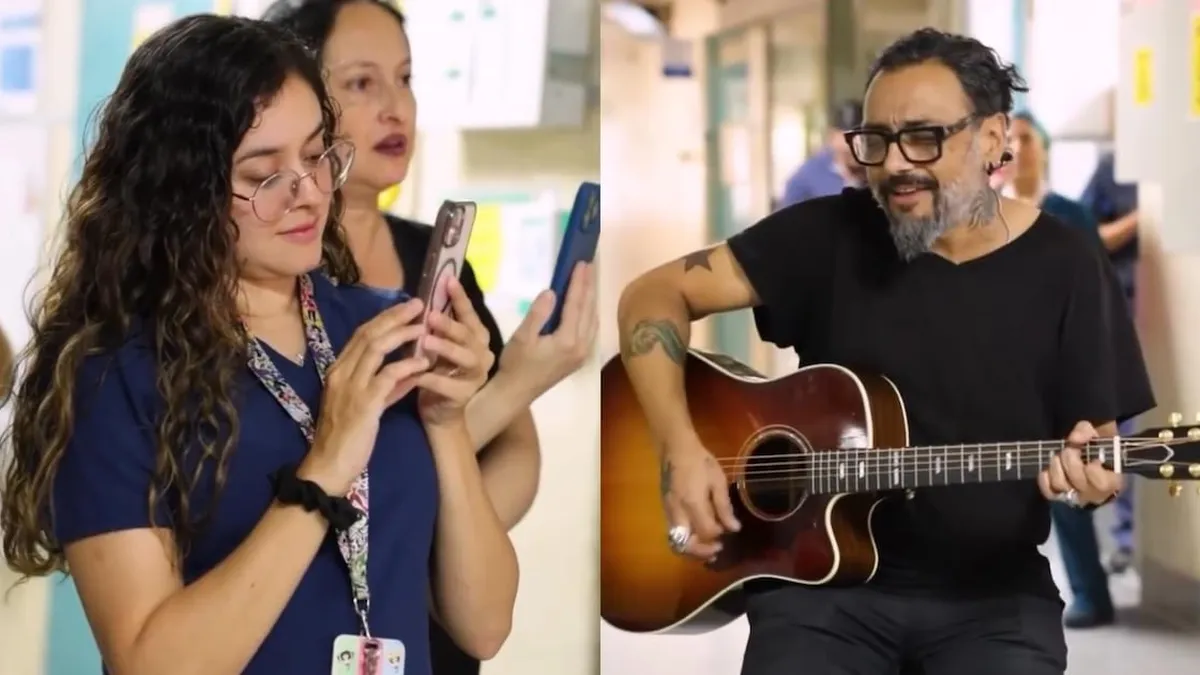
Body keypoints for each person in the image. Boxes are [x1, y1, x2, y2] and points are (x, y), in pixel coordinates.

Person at [617, 28, 1152, 675]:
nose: (895, 162)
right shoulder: (827, 236)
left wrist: (1088, 484)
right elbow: (651, 297)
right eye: (876, 140)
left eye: (924, 136)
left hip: (993, 599)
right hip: (819, 592)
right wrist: (679, 446)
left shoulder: (1068, 262)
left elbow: (1091, 446)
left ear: (992, 138)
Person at [0, 15, 517, 675]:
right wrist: (323, 469)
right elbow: (150, 662)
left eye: (316, 154)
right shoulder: (114, 377)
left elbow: (485, 623)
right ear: (180, 190)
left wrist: (445, 419)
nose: (307, 192)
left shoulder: (381, 328)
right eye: (264, 173)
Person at [262, 2, 598, 673]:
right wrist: (518, 384)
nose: (396, 108)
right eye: (361, 83)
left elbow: (514, 452)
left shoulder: (435, 259)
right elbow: (341, 464)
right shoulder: (277, 281)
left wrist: (431, 537)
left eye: (406, 79)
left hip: (431, 624)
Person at [1003, 110, 1115, 628]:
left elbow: (1099, 298)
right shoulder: (991, 217)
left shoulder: (1070, 215)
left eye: (1027, 139)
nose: (1019, 149)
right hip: (1011, 370)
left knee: (1071, 481)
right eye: (1012, 140)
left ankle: (1091, 593)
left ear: (1044, 149)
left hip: (1063, 366)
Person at [1079, 150, 1140, 576]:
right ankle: (1124, 538)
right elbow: (1090, 237)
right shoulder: (1115, 165)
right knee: (1119, 429)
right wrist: (1142, 218)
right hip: (1119, 308)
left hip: (1159, 316)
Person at [779, 99, 865, 207]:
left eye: (861, 136)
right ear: (831, 137)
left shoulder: (874, 171)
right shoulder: (807, 177)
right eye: (847, 138)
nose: (857, 144)